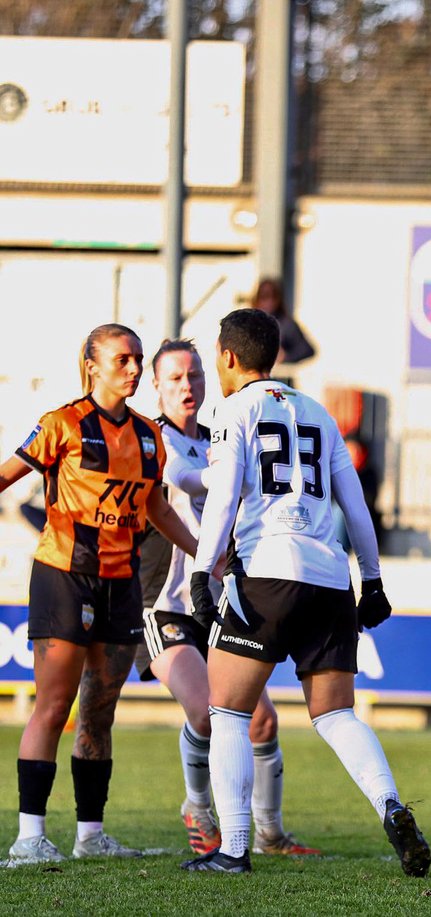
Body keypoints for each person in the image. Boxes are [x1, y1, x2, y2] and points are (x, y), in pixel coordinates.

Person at [180, 309, 429, 875]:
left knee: (228, 713)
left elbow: (221, 500)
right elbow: (355, 506)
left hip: (266, 573)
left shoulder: (233, 410)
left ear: (226, 357)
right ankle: (391, 805)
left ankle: (235, 849)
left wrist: (202, 572)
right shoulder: (317, 413)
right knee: (337, 714)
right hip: (329, 577)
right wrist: (372, 579)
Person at [1, 324, 199, 865]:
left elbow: (155, 508)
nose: (134, 369)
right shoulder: (61, 425)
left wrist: (207, 552)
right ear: (92, 364)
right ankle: (28, 838)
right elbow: (6, 476)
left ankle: (90, 836)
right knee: (53, 705)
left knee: (100, 711)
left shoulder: (147, 436)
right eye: (123, 360)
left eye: (138, 360)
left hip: (121, 584)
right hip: (64, 577)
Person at [132, 339, 318, 857]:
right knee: (206, 712)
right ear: (158, 386)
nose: (187, 385)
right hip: (165, 602)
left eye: (193, 375)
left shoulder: (221, 436)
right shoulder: (152, 441)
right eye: (174, 378)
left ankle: (272, 835)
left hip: (219, 600)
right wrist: (207, 555)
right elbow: (166, 503)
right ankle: (197, 806)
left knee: (261, 720)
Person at [251, 277, 316, 367]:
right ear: (257, 299)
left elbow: (307, 350)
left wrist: (286, 357)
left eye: (273, 297)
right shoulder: (250, 324)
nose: (269, 302)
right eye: (264, 297)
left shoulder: (287, 324)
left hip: (279, 376)